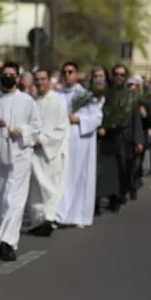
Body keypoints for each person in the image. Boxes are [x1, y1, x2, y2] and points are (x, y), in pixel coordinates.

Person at [0, 62, 41, 262]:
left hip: (20, 157)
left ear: (18, 77)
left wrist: (22, 131)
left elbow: (36, 127)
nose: (8, 77)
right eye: (5, 74)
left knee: (15, 201)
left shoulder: (27, 101)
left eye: (12, 74)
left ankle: (8, 242)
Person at [55, 62, 102, 228]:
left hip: (79, 139)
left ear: (77, 74)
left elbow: (97, 118)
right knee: (61, 176)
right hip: (61, 139)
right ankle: (58, 214)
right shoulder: (57, 95)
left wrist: (79, 119)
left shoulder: (86, 96)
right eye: (65, 72)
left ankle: (76, 215)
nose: (67, 75)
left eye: (71, 71)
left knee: (77, 177)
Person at [97, 64, 145, 213]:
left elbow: (136, 118)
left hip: (125, 136)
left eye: (122, 75)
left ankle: (119, 194)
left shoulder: (131, 95)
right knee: (106, 168)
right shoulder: (107, 93)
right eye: (116, 74)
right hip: (107, 136)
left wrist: (138, 140)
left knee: (124, 168)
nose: (119, 77)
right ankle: (107, 197)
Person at [27, 69, 69, 237]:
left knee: (50, 186)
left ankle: (48, 219)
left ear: (49, 81)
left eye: (43, 79)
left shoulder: (59, 101)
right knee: (35, 187)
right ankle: (37, 221)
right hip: (34, 152)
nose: (40, 82)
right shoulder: (32, 102)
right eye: (37, 79)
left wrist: (43, 140)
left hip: (51, 151)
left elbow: (61, 128)